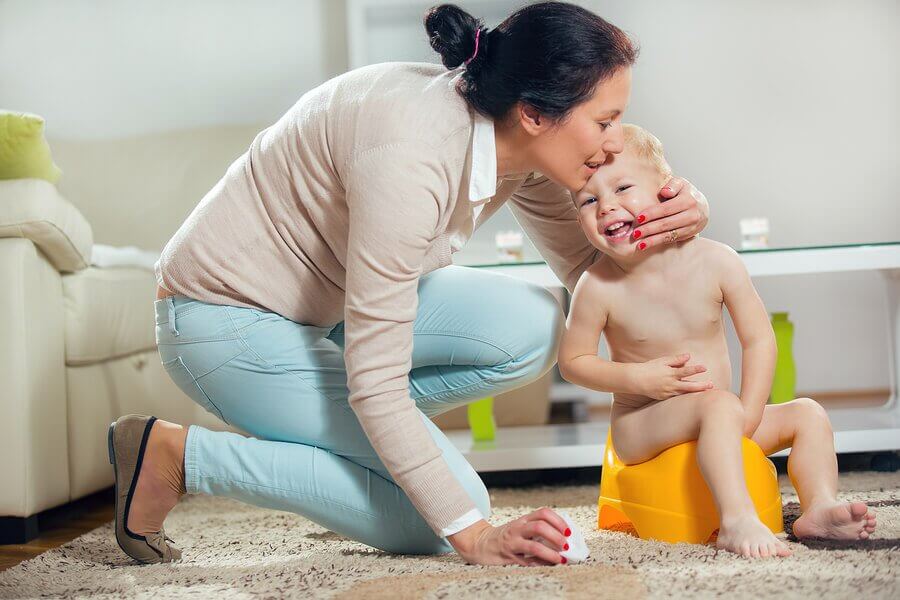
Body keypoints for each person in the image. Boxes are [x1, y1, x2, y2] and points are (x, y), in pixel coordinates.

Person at [107, 2, 710, 567]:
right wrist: (473, 535)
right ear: (533, 114)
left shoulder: (516, 143)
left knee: (536, 325)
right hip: (223, 324)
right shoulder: (411, 155)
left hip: (326, 313)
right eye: (605, 121)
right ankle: (180, 456)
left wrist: (681, 220)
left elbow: (593, 272)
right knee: (443, 517)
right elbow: (376, 382)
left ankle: (360, 453)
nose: (615, 142)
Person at [558, 124, 877, 559]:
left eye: (623, 188)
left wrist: (750, 410)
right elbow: (573, 361)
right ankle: (736, 519)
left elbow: (758, 340)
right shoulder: (597, 285)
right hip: (642, 425)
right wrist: (639, 378)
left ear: (668, 192)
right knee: (719, 406)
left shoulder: (717, 261)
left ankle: (819, 506)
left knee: (808, 413)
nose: (607, 206)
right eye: (588, 200)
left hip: (722, 414)